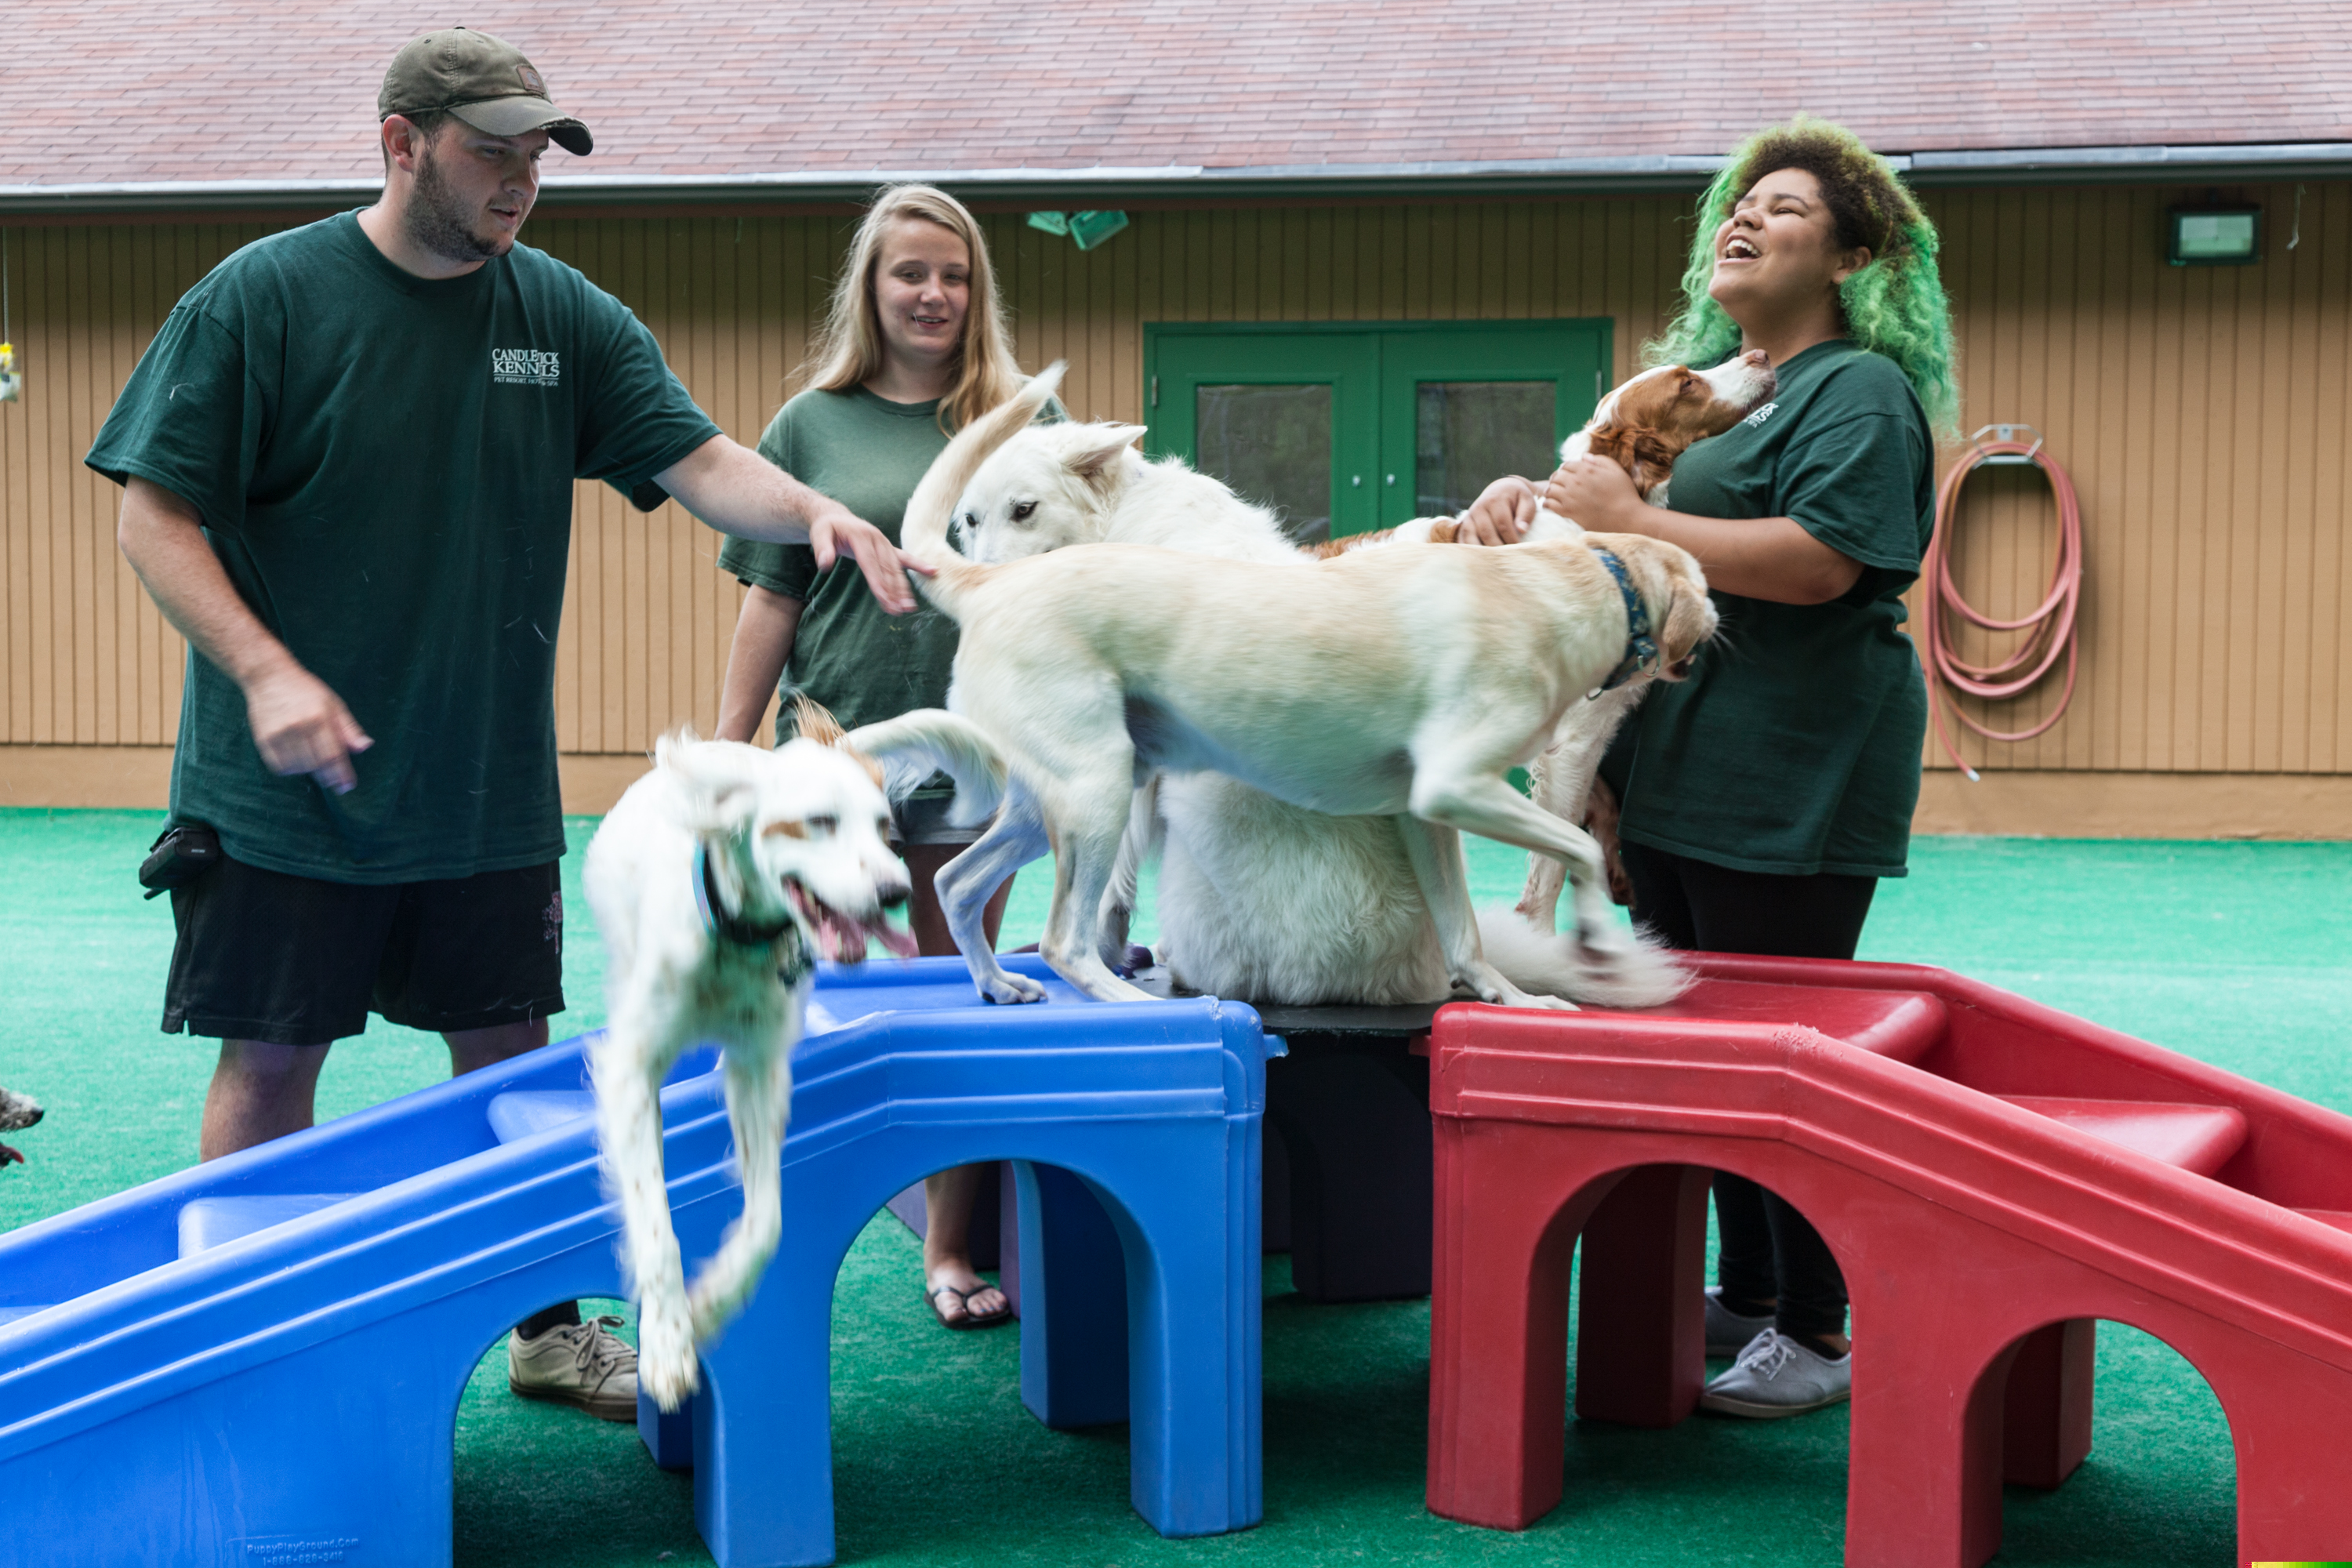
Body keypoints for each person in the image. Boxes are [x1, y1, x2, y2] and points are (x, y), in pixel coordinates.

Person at [88, 29, 920, 1421]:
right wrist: (267, 671)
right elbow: (151, 512)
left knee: (509, 1061)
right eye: (495, 149)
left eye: (540, 152)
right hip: (287, 788)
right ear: (402, 142)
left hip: (481, 787)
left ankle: (546, 1331)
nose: (523, 179)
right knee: (274, 1061)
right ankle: (224, 1340)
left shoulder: (562, 316)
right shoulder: (263, 299)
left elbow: (702, 460)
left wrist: (817, 509)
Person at [1462, 118, 1957, 1417]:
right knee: (1704, 1046)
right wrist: (1534, 497)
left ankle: (1818, 1324)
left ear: (1853, 253)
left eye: (1785, 208)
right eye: (1739, 203)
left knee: (1785, 1052)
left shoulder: (1856, 390)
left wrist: (1632, 518)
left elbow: (1826, 563)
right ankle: (1749, 1291)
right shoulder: (1709, 381)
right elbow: (1609, 521)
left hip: (1787, 771)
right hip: (1676, 765)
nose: (1745, 218)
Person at [713, 183, 1051, 1330]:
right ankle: (781, 1235)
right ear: (872, 287)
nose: (934, 294)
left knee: (965, 995)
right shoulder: (808, 426)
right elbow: (772, 598)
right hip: (833, 751)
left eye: (954, 276)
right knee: (817, 998)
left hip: (979, 746)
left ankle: (953, 1247)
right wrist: (726, 754)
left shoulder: (1018, 425)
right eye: (911, 273)